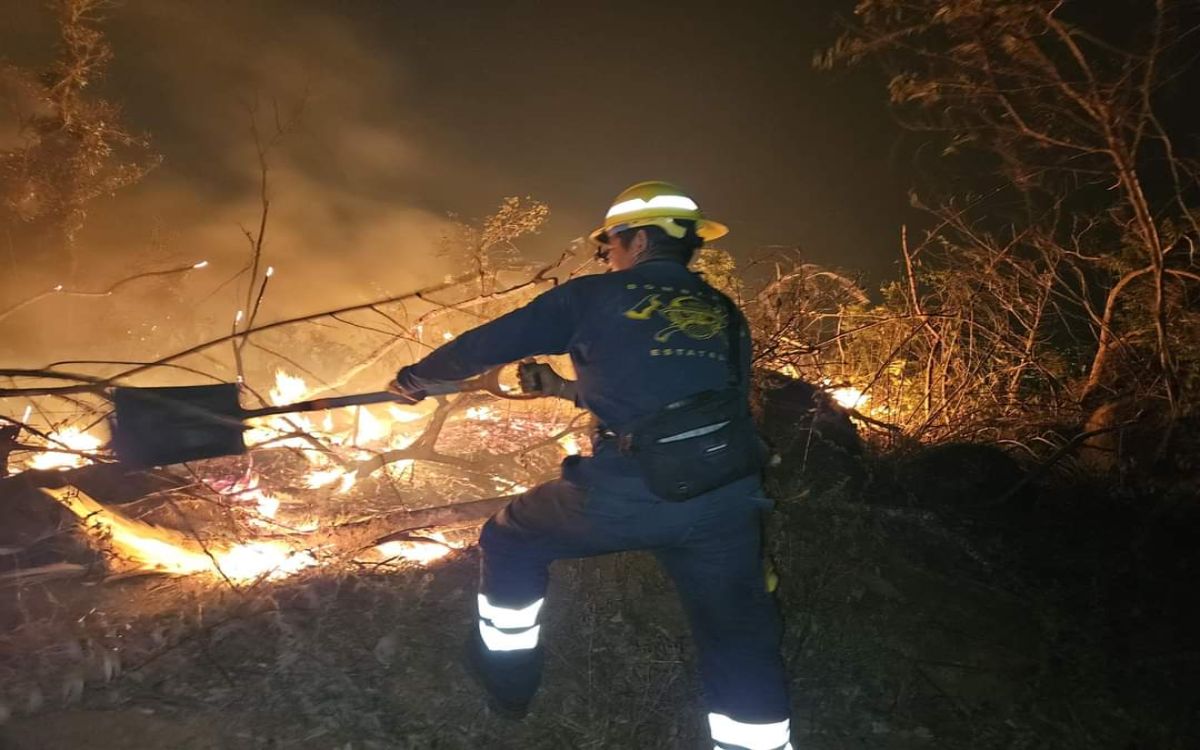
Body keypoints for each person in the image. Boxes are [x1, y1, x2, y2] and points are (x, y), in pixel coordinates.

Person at [391, 181, 793, 750]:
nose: (607, 256)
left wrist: (416, 378)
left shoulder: (593, 297)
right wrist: (562, 387)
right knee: (739, 635)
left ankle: (509, 682)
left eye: (610, 245)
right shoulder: (723, 312)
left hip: (629, 493)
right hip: (725, 496)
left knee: (510, 539)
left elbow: (488, 342)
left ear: (639, 238)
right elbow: (686, 400)